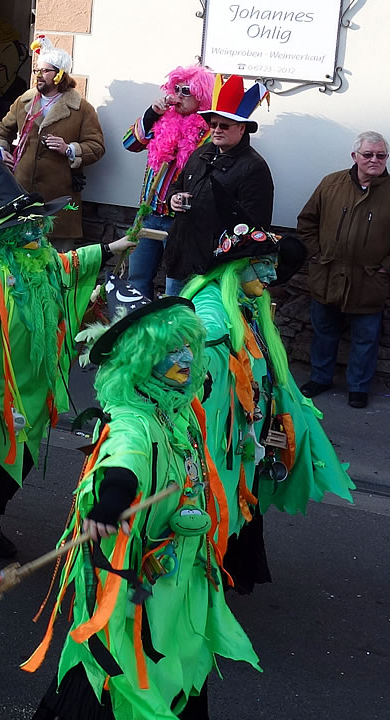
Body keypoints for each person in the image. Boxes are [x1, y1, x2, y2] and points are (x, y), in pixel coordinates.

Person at [24, 274, 257, 720]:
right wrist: (112, 496)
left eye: (188, 346)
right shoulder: (134, 417)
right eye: (171, 351)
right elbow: (124, 455)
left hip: (180, 580)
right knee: (121, 672)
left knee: (180, 664)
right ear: (141, 359)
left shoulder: (177, 410)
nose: (187, 358)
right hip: (134, 582)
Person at [0, 146, 132, 582]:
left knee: (15, 470)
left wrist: (113, 246)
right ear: (9, 235)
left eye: (41, 226)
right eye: (31, 228)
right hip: (2, 392)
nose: (41, 234)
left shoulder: (39, 262)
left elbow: (67, 265)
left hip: (35, 389)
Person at [183, 223, 354, 596]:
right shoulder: (212, 303)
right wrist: (202, 346)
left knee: (241, 498)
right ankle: (199, 582)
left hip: (247, 435)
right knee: (218, 498)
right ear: (234, 268)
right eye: (260, 263)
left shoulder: (249, 307)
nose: (271, 273)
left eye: (272, 264)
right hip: (223, 438)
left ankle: (224, 572)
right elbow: (202, 334)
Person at [296, 131, 390, 407]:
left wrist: (386, 268)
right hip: (327, 276)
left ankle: (359, 387)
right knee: (324, 333)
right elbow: (306, 222)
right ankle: (320, 378)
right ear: (355, 157)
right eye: (368, 154)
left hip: (369, 281)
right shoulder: (331, 184)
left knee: (366, 339)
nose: (375, 160)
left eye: (381, 155)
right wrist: (317, 254)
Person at [163, 74, 272, 290]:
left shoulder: (254, 167)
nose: (216, 130)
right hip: (182, 255)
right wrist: (173, 199)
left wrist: (220, 251)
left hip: (216, 268)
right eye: (213, 124)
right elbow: (177, 186)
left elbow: (254, 226)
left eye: (224, 125)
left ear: (242, 128)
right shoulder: (201, 153)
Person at [0, 46, 104, 248]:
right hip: (22, 195)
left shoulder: (80, 108)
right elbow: (2, 130)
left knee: (57, 264)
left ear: (60, 74)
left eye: (45, 71)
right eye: (37, 71)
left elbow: (96, 146)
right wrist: (2, 150)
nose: (39, 76)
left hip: (59, 202)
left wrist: (69, 149)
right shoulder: (24, 101)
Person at [122, 65, 213, 298]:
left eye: (186, 91)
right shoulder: (161, 121)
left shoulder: (209, 132)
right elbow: (130, 143)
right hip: (148, 214)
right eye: (176, 89)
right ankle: (139, 329)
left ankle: (171, 333)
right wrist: (152, 113)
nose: (178, 96)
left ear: (201, 97)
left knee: (177, 288)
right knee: (137, 280)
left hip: (181, 221)